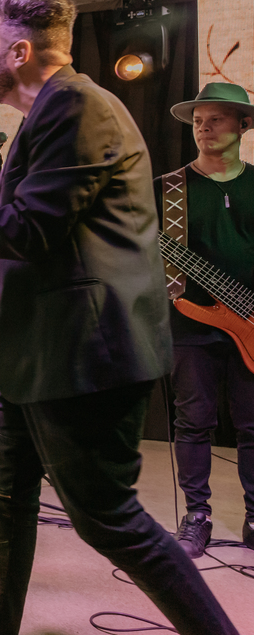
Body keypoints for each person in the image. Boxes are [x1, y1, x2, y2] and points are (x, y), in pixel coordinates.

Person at [0, 0, 238, 635]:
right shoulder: (53, 111)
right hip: (31, 359)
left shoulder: (78, 107)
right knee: (5, 504)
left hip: (81, 358)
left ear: (18, 51)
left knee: (109, 520)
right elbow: (31, 216)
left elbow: (30, 232)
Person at [155, 82, 254, 557]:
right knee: (193, 421)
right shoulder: (168, 190)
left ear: (243, 125)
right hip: (190, 325)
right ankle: (197, 514)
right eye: (198, 120)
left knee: (253, 424)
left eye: (216, 119)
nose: (204, 127)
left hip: (250, 327)